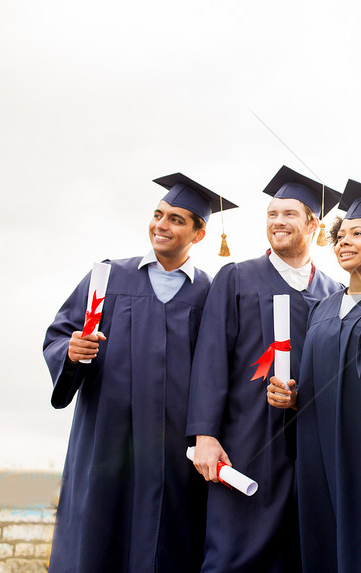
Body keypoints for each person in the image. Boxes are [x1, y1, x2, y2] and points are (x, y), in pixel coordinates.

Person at [43, 174, 236, 573]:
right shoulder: (109, 277)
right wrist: (71, 351)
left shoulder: (210, 293)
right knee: (99, 533)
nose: (161, 225)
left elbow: (223, 366)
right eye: (158, 215)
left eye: (176, 219)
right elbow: (60, 336)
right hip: (108, 437)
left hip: (174, 448)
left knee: (172, 539)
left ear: (199, 235)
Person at [186, 166, 342, 572]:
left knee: (300, 552)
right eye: (272, 214)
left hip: (309, 447)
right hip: (245, 442)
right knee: (233, 553)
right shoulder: (237, 278)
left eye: (289, 214)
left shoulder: (333, 293)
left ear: (314, 225)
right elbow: (210, 359)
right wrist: (205, 436)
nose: (277, 222)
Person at [268, 180, 361, 572]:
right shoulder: (322, 307)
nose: (344, 242)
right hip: (316, 446)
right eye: (340, 235)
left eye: (358, 233)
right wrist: (289, 395)